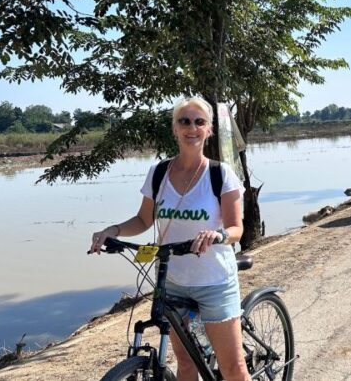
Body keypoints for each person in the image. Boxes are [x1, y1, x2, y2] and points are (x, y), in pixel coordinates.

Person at [89, 97, 250, 381]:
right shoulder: (159, 173)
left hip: (214, 282)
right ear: (174, 128)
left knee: (233, 368)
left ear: (209, 130)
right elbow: (143, 220)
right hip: (173, 281)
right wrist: (111, 231)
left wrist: (218, 235)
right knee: (186, 365)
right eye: (184, 121)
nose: (192, 127)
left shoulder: (220, 174)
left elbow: (237, 228)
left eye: (199, 122)